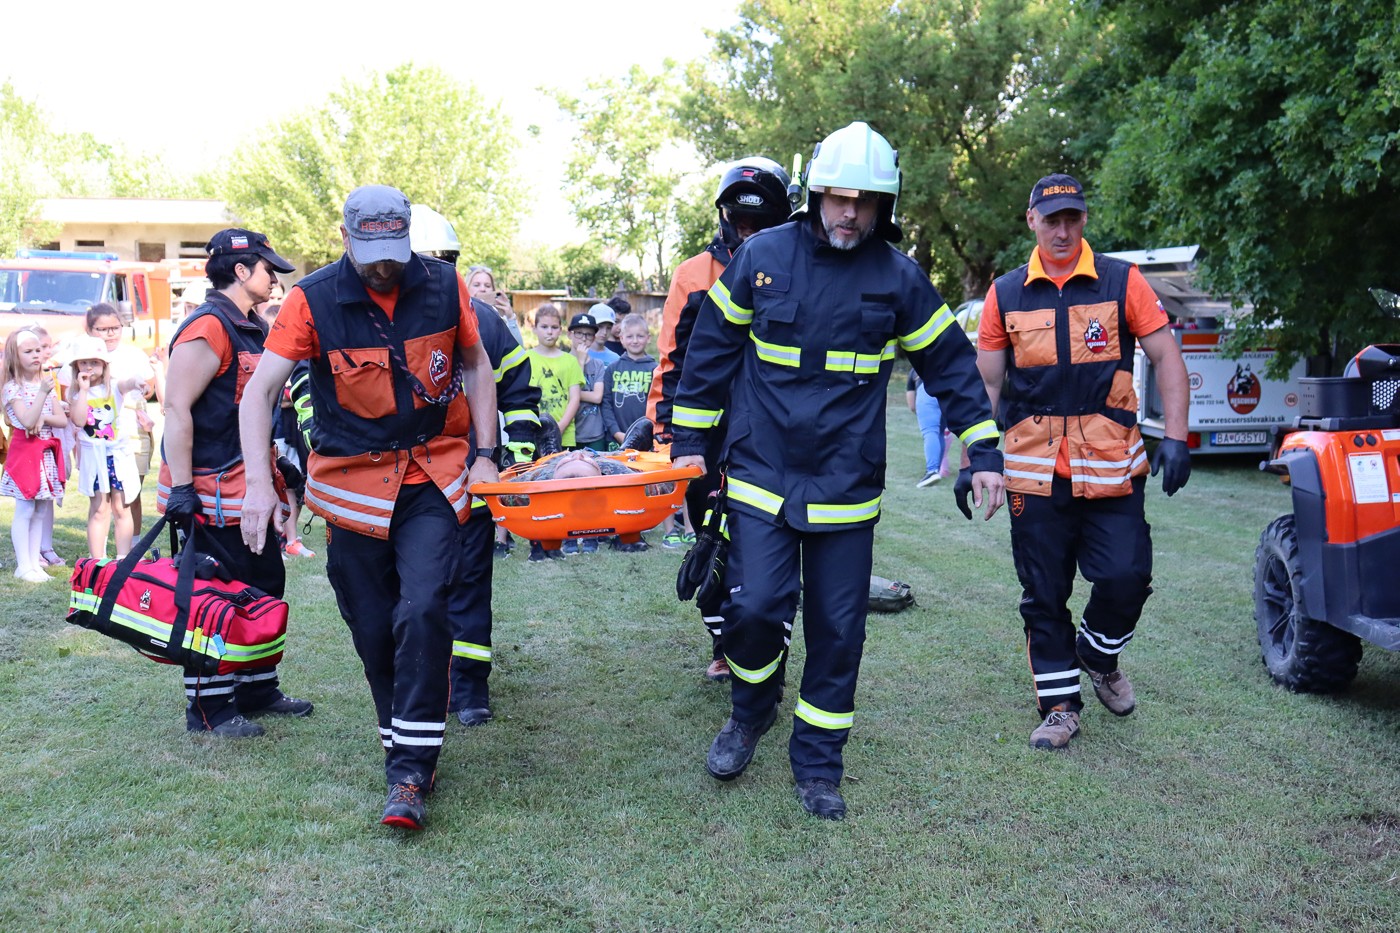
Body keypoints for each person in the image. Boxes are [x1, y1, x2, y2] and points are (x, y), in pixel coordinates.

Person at [670, 122, 1004, 820]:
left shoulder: (899, 277)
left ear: (884, 205)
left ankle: (819, 764)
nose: (850, 212)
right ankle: (751, 710)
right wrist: (689, 442)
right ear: (816, 193)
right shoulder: (762, 256)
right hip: (761, 473)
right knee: (753, 608)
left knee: (838, 630)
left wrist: (984, 450)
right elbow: (711, 350)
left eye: (865, 200)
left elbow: (950, 365)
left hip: (846, 487)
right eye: (839, 197)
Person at [237, 185, 499, 831]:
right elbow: (259, 392)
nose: (384, 267)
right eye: (370, 252)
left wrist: (486, 452)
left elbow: (476, 364)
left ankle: (409, 770)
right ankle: (401, 734)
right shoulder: (311, 300)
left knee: (425, 607)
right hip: (351, 483)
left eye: (394, 252)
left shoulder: (444, 285)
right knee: (375, 627)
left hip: (432, 473)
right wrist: (259, 485)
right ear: (345, 238)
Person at [975, 172, 1190, 750]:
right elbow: (987, 384)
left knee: (1127, 576)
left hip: (1113, 468)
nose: (1063, 231)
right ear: (1032, 221)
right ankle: (1059, 708)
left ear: (1084, 219)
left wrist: (1176, 437)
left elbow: (1167, 357)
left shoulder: (1123, 281)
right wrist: (977, 455)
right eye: (1052, 220)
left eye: (1072, 218)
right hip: (1034, 475)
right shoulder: (1005, 293)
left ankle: (1097, 654)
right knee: (1044, 594)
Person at [157, 228, 313, 738]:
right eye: (268, 270)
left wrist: (277, 471)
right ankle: (208, 708)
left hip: (248, 487)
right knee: (215, 596)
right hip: (208, 491)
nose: (276, 279)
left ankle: (257, 688)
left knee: (264, 585)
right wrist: (182, 489)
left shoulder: (251, 327)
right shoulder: (208, 327)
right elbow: (176, 408)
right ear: (241, 271)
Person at [647, 155, 796, 682]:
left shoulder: (799, 269)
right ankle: (722, 643)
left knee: (765, 553)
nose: (748, 231)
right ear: (725, 217)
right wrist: (667, 431)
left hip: (773, 434)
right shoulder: (692, 275)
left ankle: (767, 654)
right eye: (740, 220)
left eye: (761, 221)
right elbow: (672, 359)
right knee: (710, 545)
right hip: (704, 435)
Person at [407, 203, 540, 730]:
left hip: (472, 477)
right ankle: (432, 684)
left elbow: (521, 397)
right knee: (423, 591)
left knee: (467, 585)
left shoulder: (485, 320)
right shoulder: (388, 321)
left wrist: (515, 469)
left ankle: (468, 688)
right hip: (412, 483)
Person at [85, 303, 160, 536]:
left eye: (115, 328)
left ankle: (133, 545)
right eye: (102, 329)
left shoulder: (134, 354)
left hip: (132, 428)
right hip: (98, 432)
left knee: (131, 492)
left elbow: (149, 388)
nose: (110, 334)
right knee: (101, 498)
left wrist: (143, 388)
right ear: (89, 329)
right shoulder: (82, 356)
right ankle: (100, 548)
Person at [67, 336, 142, 561]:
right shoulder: (76, 394)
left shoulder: (114, 387)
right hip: (95, 458)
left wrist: (137, 382)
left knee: (121, 506)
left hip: (116, 456)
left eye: (95, 362)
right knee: (99, 508)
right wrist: (83, 390)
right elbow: (79, 420)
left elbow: (127, 383)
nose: (89, 367)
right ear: (76, 366)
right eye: (84, 362)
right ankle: (97, 559)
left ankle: (123, 557)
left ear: (104, 364)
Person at [2, 328, 67, 582]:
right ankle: (23, 565)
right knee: (25, 509)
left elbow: (61, 420)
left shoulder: (45, 384)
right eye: (28, 351)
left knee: (40, 509)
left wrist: (43, 416)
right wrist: (41, 395)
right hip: (25, 454)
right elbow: (27, 421)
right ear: (15, 357)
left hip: (44, 453)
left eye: (38, 350)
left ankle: (34, 564)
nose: (36, 355)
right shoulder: (12, 388)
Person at [602, 315, 656, 449]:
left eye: (640, 336)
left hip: (647, 439)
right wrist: (616, 433)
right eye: (630, 336)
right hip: (616, 438)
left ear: (648, 338)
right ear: (621, 339)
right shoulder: (612, 369)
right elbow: (606, 404)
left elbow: (658, 405)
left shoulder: (655, 370)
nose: (635, 341)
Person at [567, 312, 608, 452]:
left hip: (594, 433)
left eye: (589, 334)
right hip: (570, 432)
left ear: (593, 338)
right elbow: (566, 396)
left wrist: (574, 394)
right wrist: (580, 362)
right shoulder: (563, 362)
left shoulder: (598, 364)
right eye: (579, 333)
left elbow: (597, 397)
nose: (584, 339)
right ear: (569, 334)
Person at [905, 371, 949, 488]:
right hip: (947, 391)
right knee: (940, 433)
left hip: (926, 391)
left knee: (930, 432)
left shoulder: (914, 371)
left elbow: (912, 405)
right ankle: (937, 469)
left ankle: (932, 470)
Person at [466, 265, 522, 345]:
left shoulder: (500, 318)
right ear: (467, 288)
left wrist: (510, 318)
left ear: (493, 290)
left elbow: (519, 348)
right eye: (476, 285)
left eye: (487, 286)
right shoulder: (460, 315)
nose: (482, 289)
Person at [585, 302, 620, 367]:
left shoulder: (615, 359)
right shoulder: (579, 354)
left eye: (608, 328)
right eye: (600, 326)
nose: (604, 332)